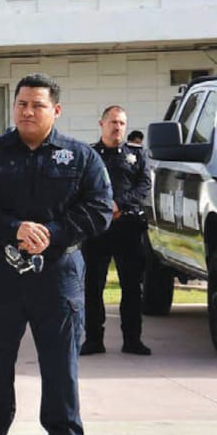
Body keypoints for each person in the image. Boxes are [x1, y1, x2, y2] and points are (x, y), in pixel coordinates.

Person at [0, 73, 112, 435]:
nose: (28, 111)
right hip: (2, 273)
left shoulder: (80, 157)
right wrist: (13, 228)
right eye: (22, 103)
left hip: (58, 274)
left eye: (37, 105)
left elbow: (99, 208)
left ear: (55, 110)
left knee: (60, 366)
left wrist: (51, 234)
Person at [81, 106, 152, 356]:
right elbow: (81, 187)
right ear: (101, 124)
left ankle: (133, 340)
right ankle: (93, 340)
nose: (117, 127)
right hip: (97, 230)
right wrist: (103, 206)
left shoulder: (137, 155)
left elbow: (143, 186)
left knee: (132, 287)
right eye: (113, 122)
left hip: (128, 229)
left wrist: (118, 204)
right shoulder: (89, 155)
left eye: (122, 123)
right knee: (92, 286)